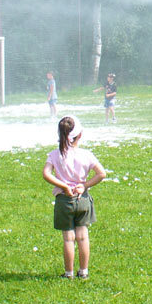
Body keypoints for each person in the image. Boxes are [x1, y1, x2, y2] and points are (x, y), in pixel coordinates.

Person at [42, 116, 106, 279]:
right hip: (82, 199)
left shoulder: (55, 155)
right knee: (83, 236)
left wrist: (64, 186)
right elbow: (101, 174)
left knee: (68, 239)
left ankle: (69, 272)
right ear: (80, 135)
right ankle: (83, 271)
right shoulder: (86, 154)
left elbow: (46, 174)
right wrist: (84, 185)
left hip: (64, 200)